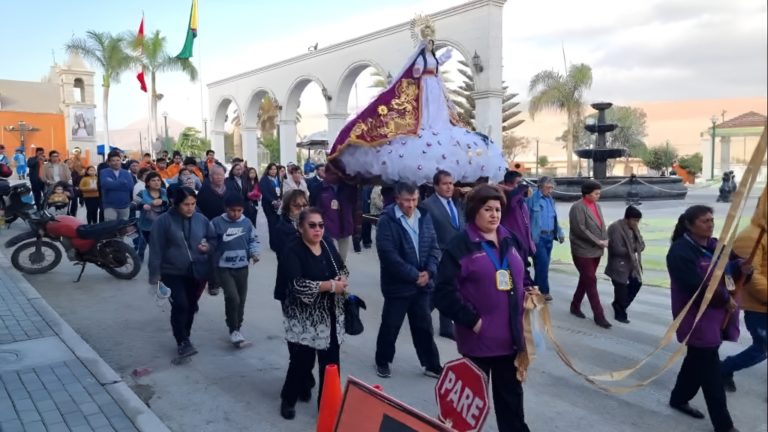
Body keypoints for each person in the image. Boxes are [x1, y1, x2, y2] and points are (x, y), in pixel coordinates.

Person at [327, 19, 506, 185]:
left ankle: (435, 125)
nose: (430, 43)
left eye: (431, 41)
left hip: (434, 87)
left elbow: (436, 65)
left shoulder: (433, 57)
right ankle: (425, 125)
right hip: (424, 87)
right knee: (426, 111)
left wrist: (445, 58)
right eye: (427, 41)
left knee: (438, 111)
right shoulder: (420, 57)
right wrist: (420, 70)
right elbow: (415, 70)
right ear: (423, 42)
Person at [434, 184, 531, 431]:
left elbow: (522, 273)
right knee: (465, 412)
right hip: (479, 344)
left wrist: (530, 289)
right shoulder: (460, 245)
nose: (494, 215)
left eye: (498, 209)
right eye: (488, 209)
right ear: (474, 211)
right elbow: (443, 293)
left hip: (510, 342)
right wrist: (474, 321)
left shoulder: (510, 238)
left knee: (512, 408)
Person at [666, 205, 748, 432]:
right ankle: (724, 425)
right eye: (704, 221)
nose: (710, 224)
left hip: (718, 316)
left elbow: (731, 267)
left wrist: (743, 268)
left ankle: (678, 398)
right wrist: (724, 299)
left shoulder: (715, 247)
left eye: (712, 220)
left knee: (696, 361)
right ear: (690, 225)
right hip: (695, 318)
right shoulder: (680, 252)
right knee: (712, 375)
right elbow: (695, 287)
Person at [276, 208, 348, 419]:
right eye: (312, 225)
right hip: (305, 317)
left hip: (331, 313)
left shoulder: (327, 245)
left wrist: (341, 281)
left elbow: (342, 268)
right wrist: (330, 286)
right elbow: (298, 285)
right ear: (300, 228)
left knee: (331, 365)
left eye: (321, 225)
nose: (318, 230)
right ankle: (288, 399)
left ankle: (328, 406)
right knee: (302, 362)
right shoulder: (292, 250)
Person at [374, 182, 442, 379]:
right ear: (397, 199)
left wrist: (429, 272)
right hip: (398, 286)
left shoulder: (424, 217)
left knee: (424, 326)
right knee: (390, 325)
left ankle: (431, 364)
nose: (411, 205)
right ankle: (383, 361)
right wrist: (414, 275)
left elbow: (434, 248)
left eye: (414, 200)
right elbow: (388, 256)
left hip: (423, 285)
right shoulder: (388, 220)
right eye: (406, 200)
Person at [148, 187, 215, 359]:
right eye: (186, 204)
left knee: (191, 306)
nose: (190, 208)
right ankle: (182, 341)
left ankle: (186, 335)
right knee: (181, 305)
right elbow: (156, 249)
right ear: (175, 203)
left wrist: (208, 247)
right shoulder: (163, 222)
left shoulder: (202, 219)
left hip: (198, 271)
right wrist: (155, 276)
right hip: (172, 272)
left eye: (193, 204)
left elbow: (213, 239)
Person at [721, 186, 767, 392]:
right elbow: (749, 276)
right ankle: (724, 368)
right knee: (762, 348)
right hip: (758, 307)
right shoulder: (752, 236)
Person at [210, 193, 261, 346]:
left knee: (241, 299)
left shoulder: (247, 223)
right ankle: (233, 329)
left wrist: (254, 253)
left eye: (239, 210)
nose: (236, 214)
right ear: (226, 209)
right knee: (233, 297)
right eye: (233, 210)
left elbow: (253, 240)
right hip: (224, 268)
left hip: (242, 267)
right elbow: (210, 240)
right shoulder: (216, 223)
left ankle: (238, 326)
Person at [420, 170, 464, 339]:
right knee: (433, 293)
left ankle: (446, 327)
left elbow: (461, 226)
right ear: (436, 186)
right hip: (438, 257)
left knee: (450, 291)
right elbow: (426, 234)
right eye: (445, 184)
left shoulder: (455, 203)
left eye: (451, 183)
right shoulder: (427, 205)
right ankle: (420, 319)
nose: (449, 187)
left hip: (456, 256)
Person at [568, 180, 611, 328]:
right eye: (596, 193)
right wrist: (598, 241)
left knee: (586, 279)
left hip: (597, 250)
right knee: (591, 281)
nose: (599, 196)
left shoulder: (597, 206)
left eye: (599, 193)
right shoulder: (577, 207)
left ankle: (575, 305)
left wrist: (605, 239)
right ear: (587, 193)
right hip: (582, 250)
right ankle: (599, 315)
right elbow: (580, 229)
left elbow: (601, 224)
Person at [605, 206, 645, 324]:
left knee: (637, 283)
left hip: (631, 263)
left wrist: (635, 249)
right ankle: (620, 313)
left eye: (638, 220)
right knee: (620, 288)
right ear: (627, 218)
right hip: (618, 264)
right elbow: (617, 249)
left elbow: (641, 245)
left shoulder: (635, 228)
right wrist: (633, 249)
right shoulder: (615, 228)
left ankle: (619, 305)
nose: (636, 223)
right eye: (635, 220)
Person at [528, 176, 564, 302]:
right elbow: (526, 219)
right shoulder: (532, 199)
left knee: (543, 265)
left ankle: (535, 289)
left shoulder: (550, 199)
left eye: (552, 188)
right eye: (548, 188)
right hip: (538, 237)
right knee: (542, 263)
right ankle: (543, 291)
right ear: (540, 186)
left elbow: (554, 217)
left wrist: (559, 232)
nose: (550, 190)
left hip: (549, 236)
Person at [316, 169, 356, 261]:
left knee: (342, 260)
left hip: (345, 227)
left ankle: (341, 274)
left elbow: (355, 206)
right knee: (332, 259)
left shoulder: (348, 187)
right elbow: (317, 209)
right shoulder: (321, 187)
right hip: (328, 229)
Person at [499, 171, 535, 264]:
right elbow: (523, 189)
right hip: (512, 244)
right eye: (518, 183)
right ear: (508, 184)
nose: (520, 186)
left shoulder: (519, 198)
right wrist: (504, 188)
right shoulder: (507, 198)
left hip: (523, 243)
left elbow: (527, 191)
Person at [137, 172, 169, 262]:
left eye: (158, 180)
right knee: (144, 242)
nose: (156, 182)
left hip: (161, 223)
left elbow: (167, 203)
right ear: (148, 183)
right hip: (146, 224)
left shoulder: (164, 191)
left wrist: (162, 202)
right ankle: (140, 256)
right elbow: (138, 204)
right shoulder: (143, 193)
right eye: (153, 180)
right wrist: (144, 205)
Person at [99, 151, 135, 221]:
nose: (116, 162)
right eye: (113, 161)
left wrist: (113, 183)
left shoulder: (126, 173)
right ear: (109, 162)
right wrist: (122, 182)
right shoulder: (104, 172)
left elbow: (130, 186)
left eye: (118, 160)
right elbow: (105, 184)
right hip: (110, 206)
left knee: (123, 228)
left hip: (125, 205)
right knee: (111, 228)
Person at [261, 163, 283, 251]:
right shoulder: (264, 180)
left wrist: (280, 200)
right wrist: (272, 201)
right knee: (272, 224)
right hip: (268, 205)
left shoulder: (278, 179)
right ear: (268, 170)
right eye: (271, 169)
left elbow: (280, 191)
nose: (273, 171)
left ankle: (278, 242)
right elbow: (264, 192)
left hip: (278, 205)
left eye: (275, 169)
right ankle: (273, 245)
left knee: (278, 224)